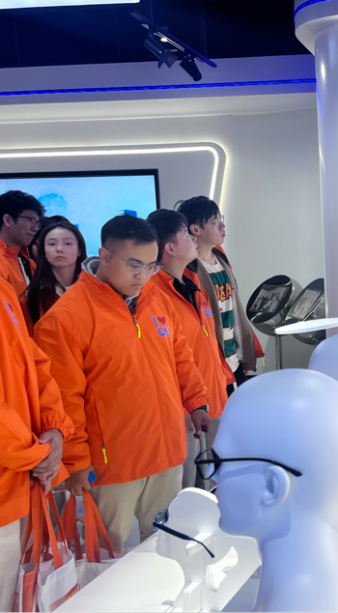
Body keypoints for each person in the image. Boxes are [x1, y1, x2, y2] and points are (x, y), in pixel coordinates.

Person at [34, 215, 212, 553]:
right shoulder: (64, 318)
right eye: (134, 265)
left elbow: (181, 358)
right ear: (104, 256)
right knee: (105, 555)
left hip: (166, 450)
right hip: (112, 464)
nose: (142, 275)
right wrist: (76, 462)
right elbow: (62, 401)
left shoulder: (155, 298)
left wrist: (197, 402)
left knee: (166, 543)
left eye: (151, 266)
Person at [0, 276, 74, 613]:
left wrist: (54, 428)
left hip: (23, 478)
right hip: (19, 472)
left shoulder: (4, 289)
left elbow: (34, 362)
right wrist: (38, 453)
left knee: (21, 596)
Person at [147, 210, 234, 490]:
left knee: (213, 486)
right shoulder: (152, 295)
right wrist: (187, 406)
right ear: (170, 248)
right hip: (185, 412)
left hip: (213, 399)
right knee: (186, 492)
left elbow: (209, 343)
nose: (193, 238)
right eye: (186, 233)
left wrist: (224, 381)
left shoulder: (194, 282)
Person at [177, 196, 264, 391]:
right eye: (214, 221)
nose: (222, 226)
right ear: (196, 229)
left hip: (235, 357)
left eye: (220, 219)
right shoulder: (187, 271)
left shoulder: (221, 258)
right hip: (212, 362)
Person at [24, 221, 87, 326]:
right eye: (52, 244)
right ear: (43, 251)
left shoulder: (94, 289)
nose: (59, 249)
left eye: (67, 243)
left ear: (79, 250)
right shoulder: (31, 297)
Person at [0, 190, 43, 301]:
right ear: (8, 220)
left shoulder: (29, 263)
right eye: (30, 220)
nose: (35, 229)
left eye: (37, 224)